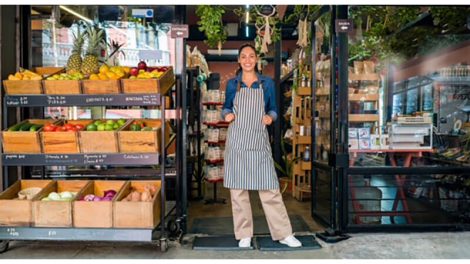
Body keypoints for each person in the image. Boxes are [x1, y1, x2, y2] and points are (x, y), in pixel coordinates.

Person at [221, 43, 302, 248]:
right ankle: (244, 234)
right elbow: (226, 107)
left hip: (258, 141)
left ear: (256, 59)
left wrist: (270, 117)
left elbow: (274, 109)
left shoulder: (267, 83)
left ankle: (284, 233)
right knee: (238, 191)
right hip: (237, 141)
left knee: (270, 188)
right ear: (239, 61)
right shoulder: (232, 84)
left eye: (251, 56)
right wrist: (227, 115)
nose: (247, 60)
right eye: (243, 57)